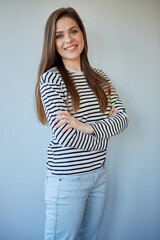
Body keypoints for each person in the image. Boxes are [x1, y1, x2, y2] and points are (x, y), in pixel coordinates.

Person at [35, 7, 128, 240]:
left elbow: (123, 118)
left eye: (73, 31)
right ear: (52, 42)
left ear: (82, 34)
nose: (68, 39)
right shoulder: (52, 79)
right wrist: (105, 134)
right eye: (59, 35)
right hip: (66, 179)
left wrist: (88, 127)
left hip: (99, 175)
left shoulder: (100, 77)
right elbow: (65, 137)